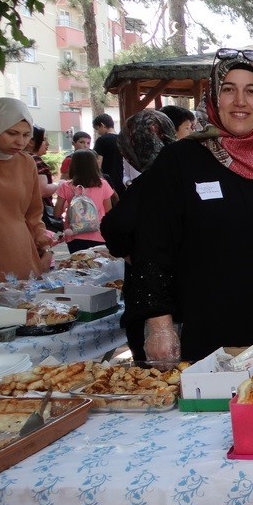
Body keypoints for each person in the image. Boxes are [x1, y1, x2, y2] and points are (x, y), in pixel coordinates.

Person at [131, 48, 253, 366]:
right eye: (229, 90)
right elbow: (151, 247)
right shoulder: (180, 161)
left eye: (251, 91)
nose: (240, 101)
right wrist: (159, 326)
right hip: (208, 335)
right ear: (214, 98)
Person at [101, 109, 178, 359]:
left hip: (157, 305)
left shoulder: (147, 186)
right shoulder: (185, 175)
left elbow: (114, 228)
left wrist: (132, 254)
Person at [0, 98, 53, 278]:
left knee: (21, 302)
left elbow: (33, 212)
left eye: (26, 135)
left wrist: (44, 244)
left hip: (20, 250)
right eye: (12, 133)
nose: (20, 141)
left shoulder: (26, 162)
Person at [54, 149, 115, 253]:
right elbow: (109, 213)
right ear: (94, 165)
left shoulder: (65, 186)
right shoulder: (103, 184)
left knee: (78, 266)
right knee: (97, 266)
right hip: (99, 234)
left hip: (74, 235)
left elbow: (56, 213)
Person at [93, 113, 126, 198]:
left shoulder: (102, 140)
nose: (98, 132)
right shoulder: (123, 139)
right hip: (123, 179)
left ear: (102, 125)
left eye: (97, 129)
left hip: (107, 180)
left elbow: (97, 163)